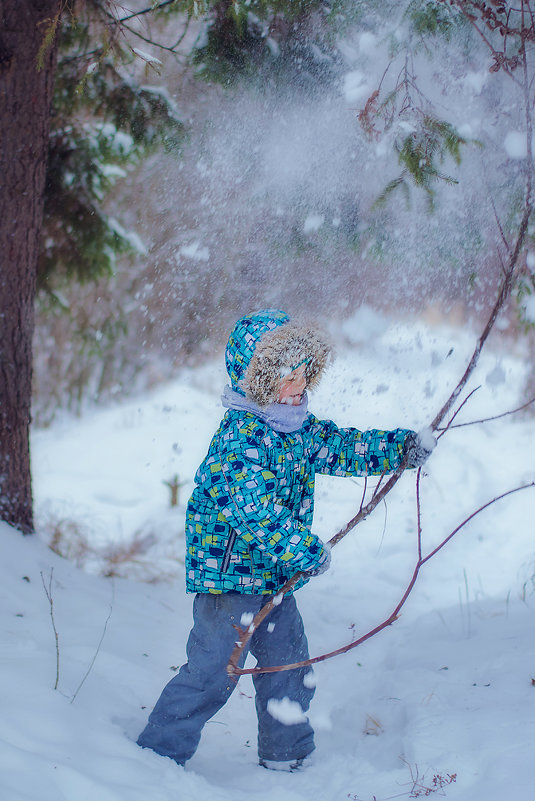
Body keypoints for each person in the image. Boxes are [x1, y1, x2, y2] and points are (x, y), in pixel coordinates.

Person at [137, 309, 434, 771]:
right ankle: (158, 752)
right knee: (214, 672)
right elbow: (255, 514)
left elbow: (344, 446)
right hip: (228, 583)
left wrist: (400, 449)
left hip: (273, 580)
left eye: (303, 372)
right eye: (286, 375)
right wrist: (304, 550)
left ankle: (287, 753)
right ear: (256, 380)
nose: (297, 384)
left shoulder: (296, 427)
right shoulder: (240, 439)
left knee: (290, 669)